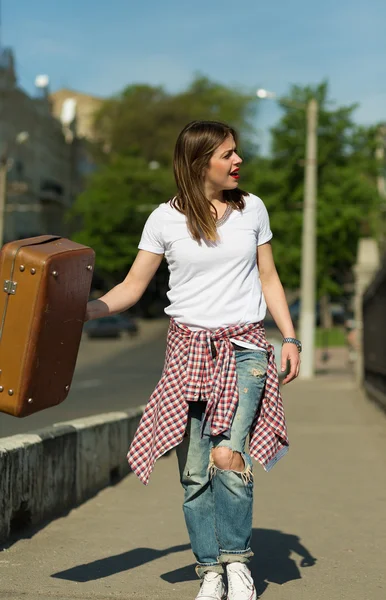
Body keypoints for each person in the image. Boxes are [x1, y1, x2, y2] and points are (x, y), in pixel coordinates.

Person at [86, 120, 301, 600]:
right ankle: (209, 568)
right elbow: (131, 287)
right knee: (195, 470)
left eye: (237, 152)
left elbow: (269, 278)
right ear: (199, 161)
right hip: (187, 353)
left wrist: (290, 338)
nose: (238, 160)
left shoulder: (253, 209)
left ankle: (238, 563)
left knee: (230, 456)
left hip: (245, 350)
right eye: (227, 154)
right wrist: (83, 312)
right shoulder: (165, 219)